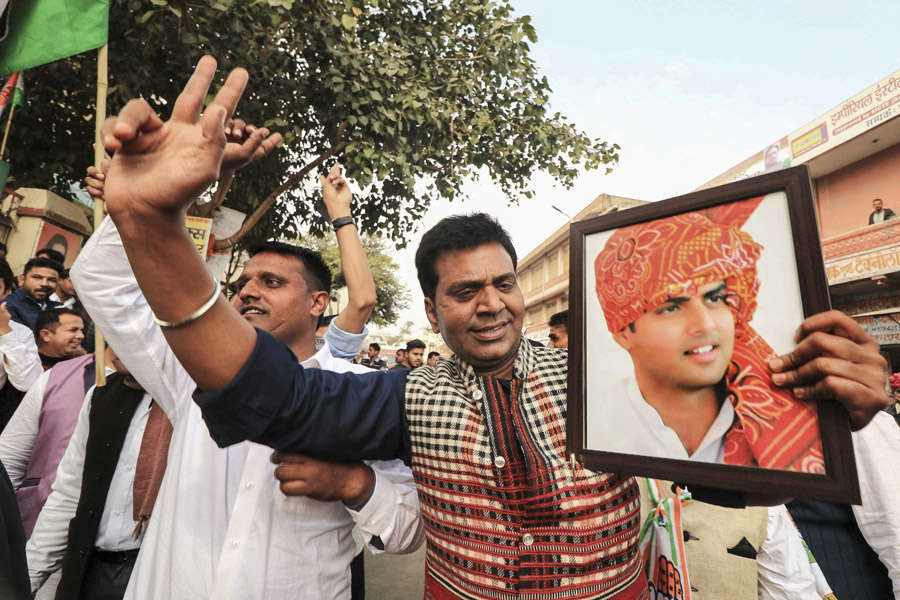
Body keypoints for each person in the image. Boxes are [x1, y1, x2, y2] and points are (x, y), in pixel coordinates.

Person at [91, 57, 891, 600]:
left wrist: (835, 411)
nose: (493, 303)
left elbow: (727, 476)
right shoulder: (406, 397)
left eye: (504, 283)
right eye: (465, 291)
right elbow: (279, 403)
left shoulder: (598, 386)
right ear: (434, 310)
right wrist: (156, 228)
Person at [74, 143, 422, 598]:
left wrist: (351, 483)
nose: (246, 293)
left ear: (318, 303)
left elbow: (406, 531)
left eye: (271, 283)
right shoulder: (189, 372)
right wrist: (142, 205)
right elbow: (102, 282)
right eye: (240, 285)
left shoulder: (358, 392)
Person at [592, 201, 822, 469]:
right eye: (672, 307)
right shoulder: (595, 426)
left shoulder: (801, 418)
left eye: (715, 298)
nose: (705, 324)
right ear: (622, 333)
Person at [25, 349, 170, 600]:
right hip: (90, 574)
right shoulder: (102, 395)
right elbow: (69, 495)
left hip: (160, 579)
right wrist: (27, 577)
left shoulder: (200, 405)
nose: (117, 342)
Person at [0, 314, 92, 538]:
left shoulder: (17, 333)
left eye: (81, 330)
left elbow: (26, 381)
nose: (79, 336)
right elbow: (10, 458)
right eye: (72, 330)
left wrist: (6, 332)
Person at [2, 258, 61, 330]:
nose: (44, 284)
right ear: (21, 280)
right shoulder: (7, 305)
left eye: (52, 280)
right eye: (37, 277)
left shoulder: (59, 308)